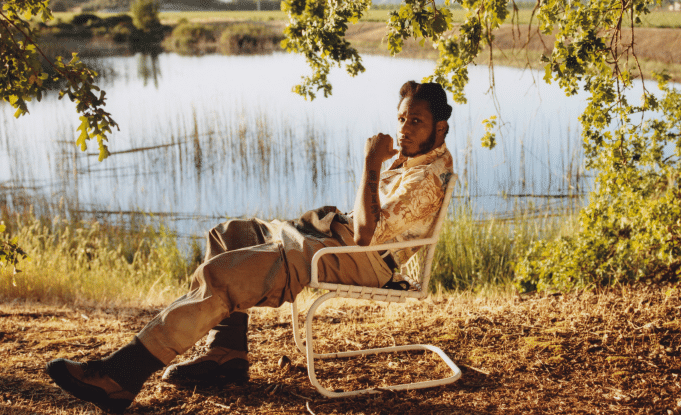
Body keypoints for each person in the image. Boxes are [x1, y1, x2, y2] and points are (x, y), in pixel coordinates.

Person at [45, 80, 455, 414]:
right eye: (401, 118)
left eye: (415, 121)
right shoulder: (413, 159)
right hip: (336, 239)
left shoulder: (426, 179)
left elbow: (367, 238)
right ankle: (226, 355)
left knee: (222, 277)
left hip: (357, 259)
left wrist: (370, 163)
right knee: (230, 235)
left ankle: (120, 375)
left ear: (439, 128)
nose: (403, 129)